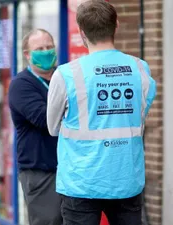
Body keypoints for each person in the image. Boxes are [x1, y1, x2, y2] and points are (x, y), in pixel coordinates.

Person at [47, 1, 157, 225]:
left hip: (81, 183)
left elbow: (53, 127)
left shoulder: (67, 74)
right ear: (116, 25)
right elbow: (139, 117)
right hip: (126, 178)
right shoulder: (140, 69)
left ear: (82, 32)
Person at [8, 29, 62, 225]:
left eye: (49, 47)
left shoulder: (62, 77)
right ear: (27, 55)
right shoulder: (21, 85)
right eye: (40, 48)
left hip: (68, 169)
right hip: (41, 172)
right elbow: (44, 119)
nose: (46, 52)